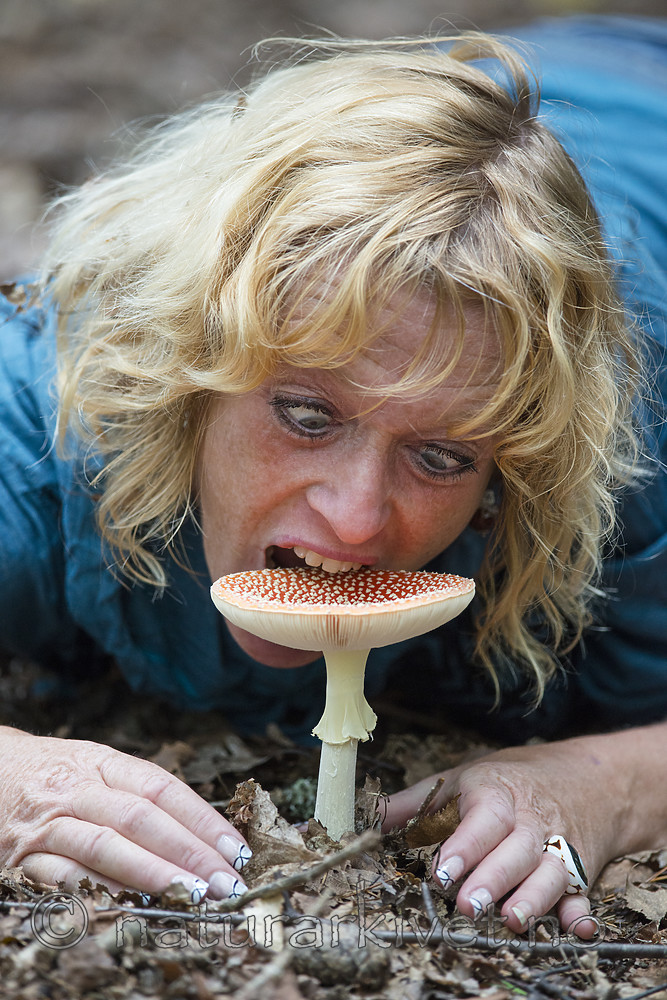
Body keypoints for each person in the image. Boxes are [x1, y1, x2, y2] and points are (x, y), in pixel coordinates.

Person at [0, 15, 665, 936]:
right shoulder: (43, 433)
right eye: (307, 415)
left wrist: (611, 783)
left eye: (442, 456)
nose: (355, 520)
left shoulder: (620, 455)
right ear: (189, 368)